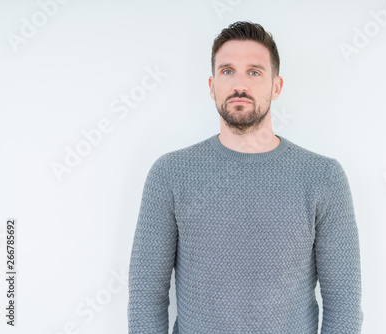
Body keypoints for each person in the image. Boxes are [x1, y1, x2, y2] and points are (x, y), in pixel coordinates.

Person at [128, 20, 363, 334]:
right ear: (212, 86)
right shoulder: (170, 174)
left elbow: (343, 302)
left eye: (254, 72)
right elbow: (147, 295)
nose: (240, 85)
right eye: (227, 71)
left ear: (275, 86)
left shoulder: (323, 177)